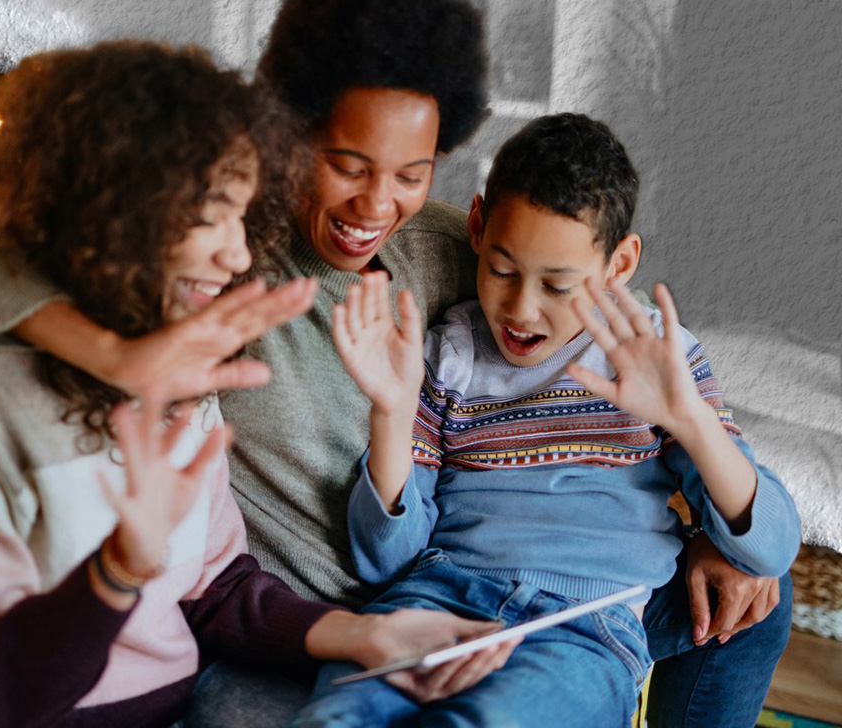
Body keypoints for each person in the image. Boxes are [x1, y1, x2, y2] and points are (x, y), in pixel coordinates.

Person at [0, 0, 793, 727]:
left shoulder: (449, 247)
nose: (378, 206)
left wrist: (718, 510)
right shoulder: (214, 253)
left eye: (412, 173)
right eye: (348, 165)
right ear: (286, 134)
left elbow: (564, 277)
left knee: (760, 593)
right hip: (296, 622)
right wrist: (118, 358)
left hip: (464, 589)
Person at [0, 41, 516, 728]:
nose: (238, 255)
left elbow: (214, 588)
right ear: (111, 210)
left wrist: (369, 638)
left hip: (190, 701)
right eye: (211, 216)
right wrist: (118, 570)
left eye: (242, 219)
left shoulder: (176, 360)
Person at [289, 113, 801, 727]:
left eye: (558, 286)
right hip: (439, 601)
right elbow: (386, 562)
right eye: (502, 271)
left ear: (619, 264)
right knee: (335, 715)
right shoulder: (446, 357)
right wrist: (393, 417)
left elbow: (771, 546)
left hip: (580, 628)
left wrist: (690, 421)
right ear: (476, 226)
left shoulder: (657, 354)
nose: (521, 310)